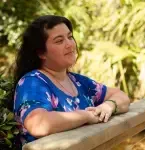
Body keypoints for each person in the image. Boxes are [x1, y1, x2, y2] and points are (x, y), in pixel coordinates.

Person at [13, 15, 130, 146]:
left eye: (70, 37)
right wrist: (86, 116)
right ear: (41, 53)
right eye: (59, 41)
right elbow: (38, 124)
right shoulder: (32, 82)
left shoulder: (78, 81)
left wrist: (108, 106)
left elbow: (121, 96)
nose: (69, 44)